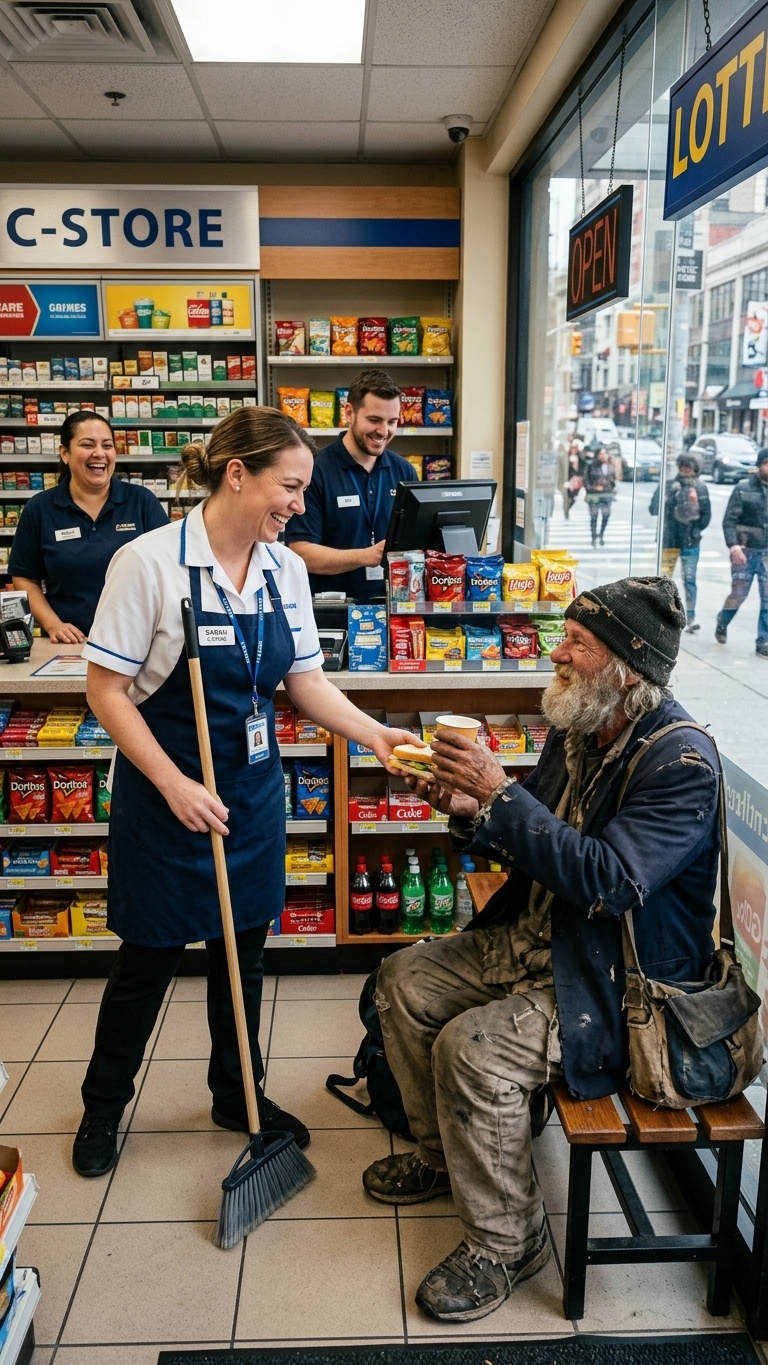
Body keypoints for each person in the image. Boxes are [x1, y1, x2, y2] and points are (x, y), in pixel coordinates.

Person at [361, 577, 720, 1324]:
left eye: (578, 643)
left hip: (621, 987)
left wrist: (499, 795)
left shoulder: (681, 764)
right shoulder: (580, 729)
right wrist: (468, 812)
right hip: (544, 939)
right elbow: (539, 846)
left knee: (472, 1046)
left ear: (626, 668)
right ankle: (440, 1156)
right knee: (402, 980)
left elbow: (608, 882)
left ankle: (505, 1243)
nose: (557, 651)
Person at [73, 406, 417, 1179]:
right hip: (168, 796)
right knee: (148, 960)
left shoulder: (282, 568)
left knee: (245, 955)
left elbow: (304, 680)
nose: (299, 502)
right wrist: (173, 782)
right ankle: (103, 1105)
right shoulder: (152, 563)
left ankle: (238, 1093)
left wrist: (374, 734)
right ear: (238, 475)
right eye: (289, 486)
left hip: (252, 794)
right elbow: (106, 690)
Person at [10, 411, 168, 643]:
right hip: (70, 643)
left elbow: (169, 568)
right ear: (65, 453)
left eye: (107, 445)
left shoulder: (142, 502)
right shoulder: (40, 508)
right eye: (87, 444)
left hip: (136, 641)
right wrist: (54, 625)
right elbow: (24, 578)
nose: (100, 453)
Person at [285, 368, 417, 603]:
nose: (383, 431)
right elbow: (299, 551)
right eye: (374, 420)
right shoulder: (316, 469)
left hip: (393, 608)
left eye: (392, 422)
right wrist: (366, 556)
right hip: (331, 610)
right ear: (349, 412)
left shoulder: (404, 471)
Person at [715, 447, 768, 657]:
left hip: (766, 553)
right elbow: (729, 521)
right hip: (745, 552)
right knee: (738, 594)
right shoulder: (743, 488)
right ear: (759, 465)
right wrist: (734, 546)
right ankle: (723, 620)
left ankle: (763, 640)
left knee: (767, 598)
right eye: (766, 463)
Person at [649, 453, 710, 632]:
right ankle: (662, 614)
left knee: (689, 580)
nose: (684, 471)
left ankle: (690, 617)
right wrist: (666, 497)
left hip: (690, 542)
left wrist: (695, 529)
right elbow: (653, 509)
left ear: (695, 470)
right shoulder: (669, 484)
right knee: (663, 579)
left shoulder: (700, 488)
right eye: (682, 467)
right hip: (668, 540)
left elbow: (706, 516)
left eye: (688, 468)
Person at [583, 446, 616, 547]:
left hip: (606, 494)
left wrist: (612, 488)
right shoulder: (591, 466)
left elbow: (613, 480)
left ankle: (601, 535)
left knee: (606, 515)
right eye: (601, 454)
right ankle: (593, 537)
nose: (603, 456)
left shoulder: (610, 467)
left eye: (605, 454)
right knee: (594, 516)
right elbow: (586, 480)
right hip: (594, 495)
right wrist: (592, 488)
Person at [561, 438, 584, 520]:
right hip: (567, 480)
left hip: (576, 481)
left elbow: (582, 469)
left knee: (573, 497)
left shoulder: (580, 458)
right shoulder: (565, 457)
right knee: (566, 497)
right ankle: (566, 513)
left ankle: (567, 508)